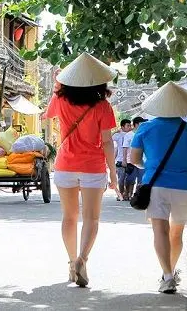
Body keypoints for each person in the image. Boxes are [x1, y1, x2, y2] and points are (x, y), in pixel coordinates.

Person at [44, 52, 118, 288]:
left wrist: (58, 85)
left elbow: (50, 113)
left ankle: (70, 262)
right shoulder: (103, 107)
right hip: (93, 167)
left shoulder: (62, 100)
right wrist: (113, 174)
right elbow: (107, 141)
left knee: (69, 216)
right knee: (91, 218)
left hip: (65, 164)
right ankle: (82, 260)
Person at [131, 82, 187, 294]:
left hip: (155, 185)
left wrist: (152, 165)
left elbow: (134, 159)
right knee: (177, 233)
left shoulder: (145, 128)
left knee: (160, 231)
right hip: (184, 187)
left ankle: (167, 276)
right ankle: (171, 272)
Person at [112, 119, 133, 201]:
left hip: (130, 160)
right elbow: (108, 138)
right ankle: (120, 194)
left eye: (130, 125)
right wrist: (116, 131)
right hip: (120, 160)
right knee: (121, 180)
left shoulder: (132, 134)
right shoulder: (118, 135)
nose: (129, 127)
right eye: (128, 125)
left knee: (129, 180)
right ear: (122, 126)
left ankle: (127, 194)